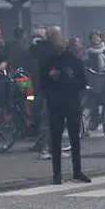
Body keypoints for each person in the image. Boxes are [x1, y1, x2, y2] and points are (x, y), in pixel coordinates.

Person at [39, 27, 92, 185]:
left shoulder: (72, 60)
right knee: (56, 138)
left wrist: (71, 80)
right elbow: (42, 83)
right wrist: (50, 77)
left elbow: (82, 82)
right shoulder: (47, 60)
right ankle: (57, 174)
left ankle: (77, 171)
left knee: (74, 137)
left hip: (70, 101)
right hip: (56, 102)